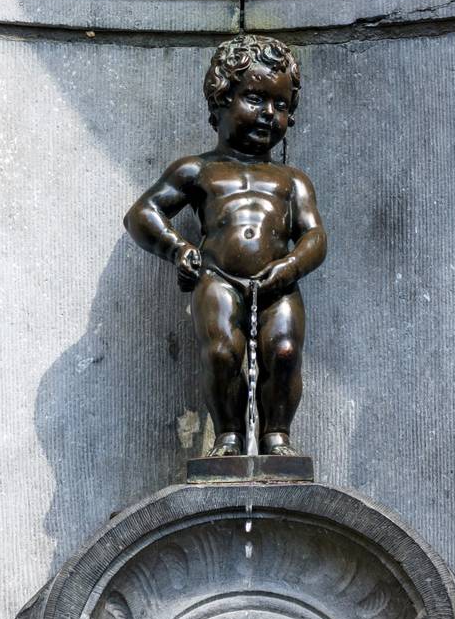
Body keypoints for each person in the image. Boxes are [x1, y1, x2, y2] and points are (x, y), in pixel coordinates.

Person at [124, 34, 327, 457]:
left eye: (282, 105)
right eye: (255, 98)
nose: (269, 114)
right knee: (220, 352)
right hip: (218, 277)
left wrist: (290, 267)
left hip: (280, 282)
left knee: (285, 352)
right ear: (220, 101)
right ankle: (229, 434)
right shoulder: (199, 170)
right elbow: (142, 214)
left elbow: (315, 236)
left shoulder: (291, 180)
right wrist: (178, 249)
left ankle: (277, 436)